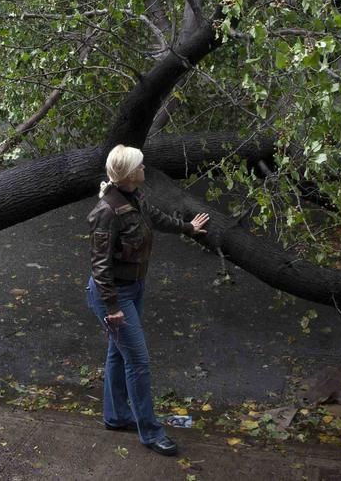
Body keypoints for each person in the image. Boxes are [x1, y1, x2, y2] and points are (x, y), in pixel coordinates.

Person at [86, 144, 210, 457]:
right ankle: (151, 433)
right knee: (138, 362)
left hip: (133, 288)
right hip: (112, 295)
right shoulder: (106, 212)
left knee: (119, 354)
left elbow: (153, 217)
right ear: (128, 174)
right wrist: (112, 308)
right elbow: (100, 267)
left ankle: (115, 417)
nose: (145, 169)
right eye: (140, 167)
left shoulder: (134, 196)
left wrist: (187, 228)